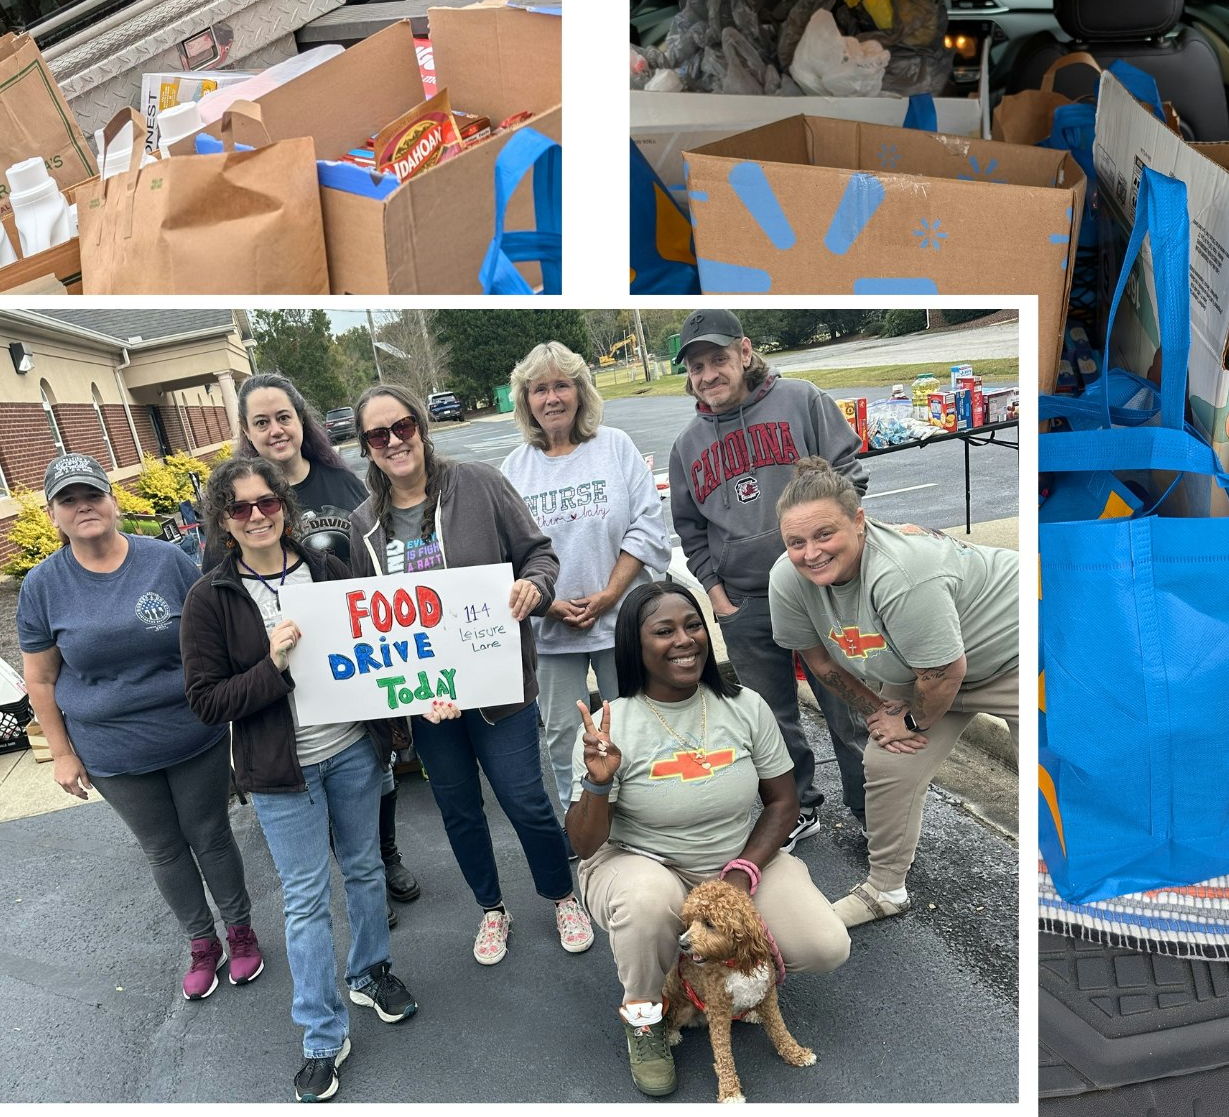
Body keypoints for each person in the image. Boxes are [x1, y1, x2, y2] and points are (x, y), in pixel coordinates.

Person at [181, 457, 431, 1102]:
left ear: (284, 506)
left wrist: (417, 698)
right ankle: (322, 1034)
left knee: (366, 869)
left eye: (267, 502)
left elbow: (378, 656)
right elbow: (206, 701)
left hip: (350, 751)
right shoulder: (210, 598)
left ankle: (370, 972)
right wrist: (272, 667)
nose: (257, 516)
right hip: (279, 773)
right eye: (240, 508)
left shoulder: (328, 572)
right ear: (223, 520)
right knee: (306, 900)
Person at [568, 580, 850, 1098]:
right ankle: (646, 1015)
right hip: (641, 862)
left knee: (825, 945)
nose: (684, 640)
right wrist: (598, 782)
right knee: (647, 904)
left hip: (735, 862)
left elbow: (783, 803)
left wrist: (743, 872)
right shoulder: (612, 724)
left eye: (693, 625)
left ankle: (714, 977)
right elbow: (584, 844)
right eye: (664, 631)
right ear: (635, 645)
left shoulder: (744, 706)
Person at [348, 383, 590, 966]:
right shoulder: (364, 525)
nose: (393, 442)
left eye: (402, 426)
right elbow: (367, 620)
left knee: (525, 800)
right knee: (458, 811)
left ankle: (562, 895)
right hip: (429, 703)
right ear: (366, 447)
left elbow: (539, 554)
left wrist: (535, 586)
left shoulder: (478, 484)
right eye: (378, 435)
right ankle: (492, 909)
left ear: (421, 426)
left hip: (499, 689)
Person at [17, 453, 263, 1002]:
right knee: (163, 849)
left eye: (93, 495)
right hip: (112, 752)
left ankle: (241, 932)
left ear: (113, 501)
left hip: (192, 733)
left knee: (210, 834)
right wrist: (62, 753)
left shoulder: (165, 561)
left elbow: (213, 632)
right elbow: (40, 678)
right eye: (68, 500)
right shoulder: (43, 586)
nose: (84, 507)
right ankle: (202, 943)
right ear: (53, 515)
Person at [767, 457, 1020, 926]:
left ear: (859, 521)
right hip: (926, 670)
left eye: (825, 534)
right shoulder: (787, 579)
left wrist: (912, 720)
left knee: (1052, 769)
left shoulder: (901, 575)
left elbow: (946, 672)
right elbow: (821, 663)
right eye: (796, 542)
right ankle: (884, 889)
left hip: (1016, 652)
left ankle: (1069, 865)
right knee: (887, 762)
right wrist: (881, 712)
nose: (811, 553)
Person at [665, 308, 872, 845]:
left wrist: (834, 560)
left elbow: (849, 476)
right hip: (746, 602)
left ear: (745, 351)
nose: (708, 374)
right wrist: (717, 598)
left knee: (849, 706)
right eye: (696, 367)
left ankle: (871, 810)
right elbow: (689, 531)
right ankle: (798, 807)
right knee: (772, 720)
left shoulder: (801, 400)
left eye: (717, 359)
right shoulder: (687, 446)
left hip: (823, 592)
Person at [220, 372, 422, 921]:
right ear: (247, 431)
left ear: (300, 420)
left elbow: (376, 555)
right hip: (285, 671)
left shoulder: (342, 481)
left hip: (353, 655)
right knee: (318, 776)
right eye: (261, 422)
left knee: (375, 769)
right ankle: (359, 877)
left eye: (283, 417)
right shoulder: (240, 499)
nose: (275, 430)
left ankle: (384, 858)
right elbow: (223, 582)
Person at [499, 341, 672, 821]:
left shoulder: (615, 447)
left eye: (562, 385)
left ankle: (643, 817)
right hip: (552, 628)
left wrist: (612, 593)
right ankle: (582, 822)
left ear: (580, 391)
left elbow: (647, 525)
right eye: (539, 389)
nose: (552, 398)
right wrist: (547, 604)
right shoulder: (514, 469)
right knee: (563, 734)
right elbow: (506, 550)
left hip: (622, 620)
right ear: (526, 400)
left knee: (633, 721)